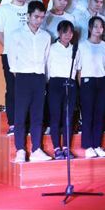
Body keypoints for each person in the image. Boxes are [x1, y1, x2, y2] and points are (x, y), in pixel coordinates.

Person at [7, 1, 52, 163]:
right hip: (23, 77)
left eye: (42, 17)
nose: (39, 20)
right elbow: (11, 58)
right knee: (20, 115)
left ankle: (36, 149)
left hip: (39, 78)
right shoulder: (16, 34)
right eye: (36, 17)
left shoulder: (46, 36)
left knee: (37, 116)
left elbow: (47, 59)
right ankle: (20, 150)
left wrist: (45, 79)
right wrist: (18, 75)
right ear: (28, 16)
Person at [0, 0, 30, 135]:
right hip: (10, 55)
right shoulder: (4, 9)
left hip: (30, 57)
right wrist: (11, 48)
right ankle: (14, 123)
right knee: (13, 89)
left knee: (29, 90)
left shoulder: (31, 8)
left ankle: (28, 123)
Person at [77, 16, 105, 158]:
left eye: (101, 27)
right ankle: (87, 146)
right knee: (87, 115)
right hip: (87, 81)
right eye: (96, 26)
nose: (98, 29)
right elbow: (79, 69)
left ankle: (97, 145)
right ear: (90, 28)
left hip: (102, 81)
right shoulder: (82, 45)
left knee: (100, 114)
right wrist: (81, 86)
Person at [46, 20, 79, 160]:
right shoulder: (52, 48)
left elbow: (77, 69)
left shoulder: (75, 49)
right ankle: (56, 148)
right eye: (65, 32)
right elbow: (47, 68)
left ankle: (66, 147)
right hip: (55, 83)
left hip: (70, 84)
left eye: (70, 32)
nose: (68, 35)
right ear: (59, 33)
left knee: (68, 117)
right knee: (55, 117)